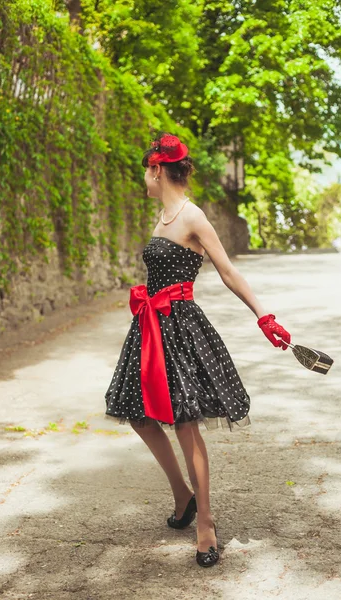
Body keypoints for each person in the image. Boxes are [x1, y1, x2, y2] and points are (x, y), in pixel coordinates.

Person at [104, 131, 291, 567]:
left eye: (145, 173)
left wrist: (264, 316)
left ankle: (205, 524)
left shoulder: (192, 216)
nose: (143, 181)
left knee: (185, 422)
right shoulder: (163, 217)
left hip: (182, 330)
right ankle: (183, 495)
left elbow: (227, 271)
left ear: (157, 170)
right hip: (151, 327)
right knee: (138, 413)